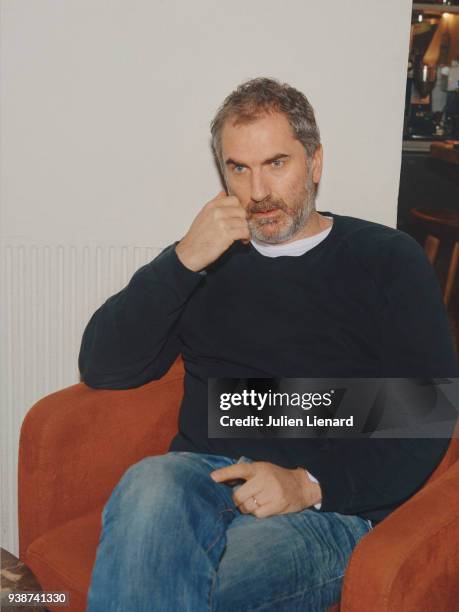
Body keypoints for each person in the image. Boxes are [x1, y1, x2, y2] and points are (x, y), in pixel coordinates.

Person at [80, 77, 458, 611]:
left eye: (276, 163)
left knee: (188, 582)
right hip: (203, 476)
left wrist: (308, 484)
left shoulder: (387, 260)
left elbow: (427, 414)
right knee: (148, 482)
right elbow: (103, 366)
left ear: (315, 163)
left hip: (322, 509)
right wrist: (183, 259)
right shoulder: (204, 259)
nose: (258, 192)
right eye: (239, 168)